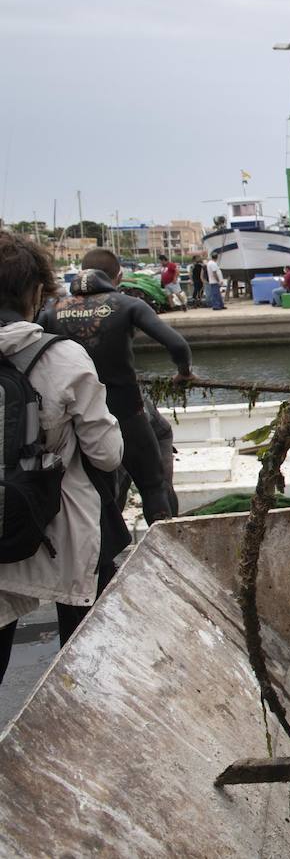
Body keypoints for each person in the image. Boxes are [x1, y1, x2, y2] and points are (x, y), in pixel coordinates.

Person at [0, 233, 125, 685]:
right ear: (36, 293)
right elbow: (107, 455)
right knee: (81, 655)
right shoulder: (62, 357)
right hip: (58, 529)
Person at [39, 249, 193, 525]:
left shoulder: (52, 312)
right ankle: (168, 546)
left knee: (89, 494)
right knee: (153, 486)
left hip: (76, 418)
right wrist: (183, 373)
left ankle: (103, 563)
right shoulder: (128, 305)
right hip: (125, 412)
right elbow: (178, 345)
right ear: (118, 276)